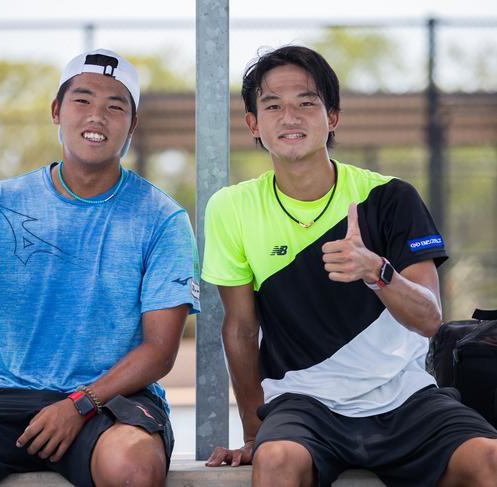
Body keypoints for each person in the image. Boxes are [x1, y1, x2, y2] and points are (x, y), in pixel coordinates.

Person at [0, 48, 200, 487]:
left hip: (113, 401)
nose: (97, 116)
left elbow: (160, 351)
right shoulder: (1, 202)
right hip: (11, 395)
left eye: (115, 106)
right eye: (83, 100)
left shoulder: (162, 218)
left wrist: (79, 404)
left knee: (133, 470)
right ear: (57, 110)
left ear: (133, 123)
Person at [202, 45, 497, 486]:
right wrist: (253, 431)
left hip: (405, 396)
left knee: (489, 459)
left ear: (332, 116)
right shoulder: (231, 207)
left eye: (306, 103)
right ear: (253, 124)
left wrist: (378, 272)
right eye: (273, 106)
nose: (290, 117)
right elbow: (240, 329)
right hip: (302, 401)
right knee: (276, 460)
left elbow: (430, 318)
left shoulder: (391, 197)